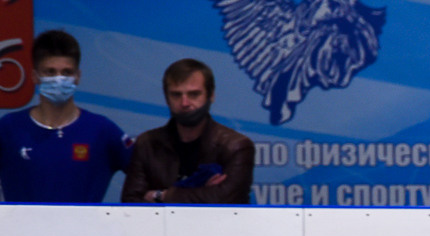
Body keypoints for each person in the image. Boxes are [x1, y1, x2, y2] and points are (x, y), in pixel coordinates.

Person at [0, 30, 132, 203]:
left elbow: (146, 173)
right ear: (35, 77)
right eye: (50, 72)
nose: (59, 79)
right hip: (20, 229)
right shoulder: (9, 127)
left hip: (86, 229)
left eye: (67, 72)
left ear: (78, 77)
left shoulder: (102, 130)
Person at [121, 58, 254, 204]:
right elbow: (130, 203)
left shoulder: (236, 146)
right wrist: (202, 192)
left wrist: (161, 196)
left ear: (211, 96)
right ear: (166, 98)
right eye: (176, 95)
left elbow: (226, 199)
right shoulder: (147, 143)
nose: (185, 103)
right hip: (160, 227)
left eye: (194, 94)